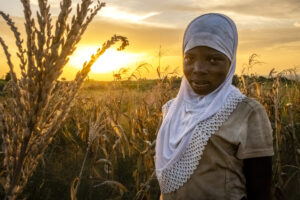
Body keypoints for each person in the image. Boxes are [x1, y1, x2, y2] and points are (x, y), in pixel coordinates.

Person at [154, 13, 274, 200]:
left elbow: (260, 187)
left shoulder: (247, 112)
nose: (198, 69)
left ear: (230, 62)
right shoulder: (171, 110)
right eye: (190, 58)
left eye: (213, 60)